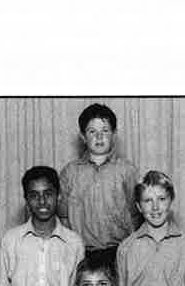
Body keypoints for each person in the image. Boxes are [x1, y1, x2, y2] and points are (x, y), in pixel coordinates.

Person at [58, 103, 138, 269]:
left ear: (114, 134)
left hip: (119, 252)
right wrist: (72, 248)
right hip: (81, 253)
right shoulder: (70, 172)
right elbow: (63, 217)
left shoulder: (127, 170)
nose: (99, 137)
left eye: (105, 131)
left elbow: (136, 214)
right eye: (92, 132)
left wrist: (130, 249)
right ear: (83, 136)